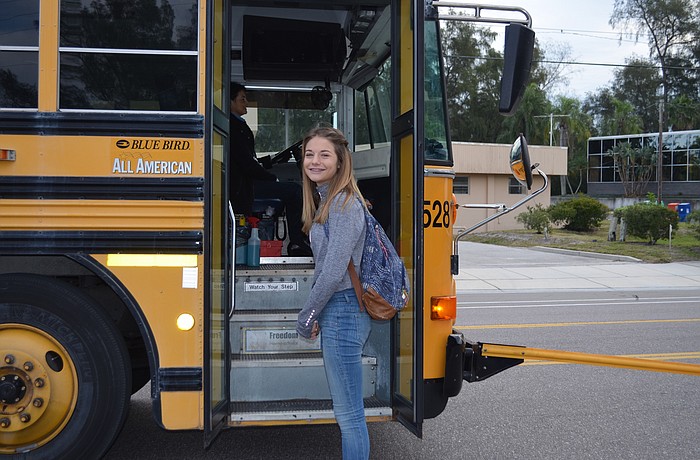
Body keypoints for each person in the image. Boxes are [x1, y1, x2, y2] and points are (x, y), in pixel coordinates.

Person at [296, 126, 370, 459]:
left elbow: (333, 271)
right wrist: (318, 312)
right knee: (348, 414)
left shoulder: (343, 204)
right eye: (310, 154)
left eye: (324, 154)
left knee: (349, 416)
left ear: (340, 162)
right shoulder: (327, 200)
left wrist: (307, 313)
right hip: (338, 311)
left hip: (344, 312)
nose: (315, 161)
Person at [229, 82, 311, 256]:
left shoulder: (239, 127)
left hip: (247, 181)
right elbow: (246, 164)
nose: (246, 104)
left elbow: (250, 160)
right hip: (243, 187)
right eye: (242, 99)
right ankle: (297, 242)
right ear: (230, 102)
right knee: (295, 191)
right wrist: (271, 178)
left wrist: (269, 162)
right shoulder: (233, 129)